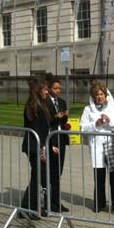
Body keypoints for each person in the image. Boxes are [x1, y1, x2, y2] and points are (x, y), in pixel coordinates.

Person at [80, 80, 114, 213]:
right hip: (97, 147)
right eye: (96, 95)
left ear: (106, 95)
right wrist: (96, 124)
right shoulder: (88, 110)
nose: (99, 97)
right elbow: (82, 128)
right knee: (99, 177)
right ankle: (99, 203)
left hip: (111, 147)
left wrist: (109, 122)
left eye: (101, 94)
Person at [20, 79, 56, 220]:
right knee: (37, 177)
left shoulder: (42, 104)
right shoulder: (33, 106)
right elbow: (37, 129)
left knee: (38, 176)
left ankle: (27, 207)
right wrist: (42, 148)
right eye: (45, 90)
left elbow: (46, 126)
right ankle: (28, 208)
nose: (47, 92)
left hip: (39, 144)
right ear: (38, 91)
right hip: (34, 146)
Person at [45, 74, 69, 213]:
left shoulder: (62, 102)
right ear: (49, 89)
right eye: (55, 88)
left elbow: (64, 121)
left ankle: (55, 201)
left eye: (59, 88)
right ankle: (49, 200)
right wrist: (55, 117)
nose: (58, 91)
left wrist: (64, 117)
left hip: (60, 138)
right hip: (50, 138)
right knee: (50, 171)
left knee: (58, 172)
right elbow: (45, 121)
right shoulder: (46, 102)